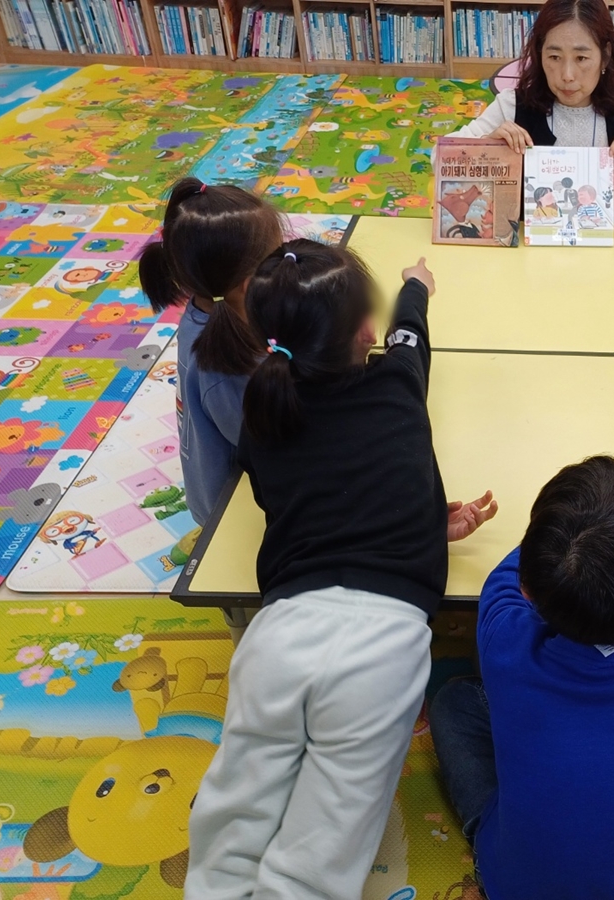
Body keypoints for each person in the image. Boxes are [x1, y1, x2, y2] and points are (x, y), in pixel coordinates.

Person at [183, 240, 497, 900]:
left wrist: (417, 519)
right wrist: (416, 283)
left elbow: (314, 499)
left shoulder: (261, 412)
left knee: (235, 808)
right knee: (326, 839)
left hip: (279, 633)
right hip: (379, 644)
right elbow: (411, 333)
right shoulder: (397, 380)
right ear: (366, 333)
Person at [428, 456, 614, 900]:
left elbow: (509, 577)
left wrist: (556, 530)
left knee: (453, 702)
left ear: (529, 591)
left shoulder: (504, 641)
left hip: (516, 887)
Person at [138, 177, 281, 527]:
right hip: (231, 508)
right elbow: (269, 445)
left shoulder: (206, 310)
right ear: (249, 285)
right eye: (279, 261)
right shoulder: (227, 367)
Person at [450, 0, 614, 158]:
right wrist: (487, 144)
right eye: (554, 57)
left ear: (604, 57)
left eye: (581, 58)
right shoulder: (511, 105)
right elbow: (442, 155)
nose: (567, 75)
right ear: (539, 54)